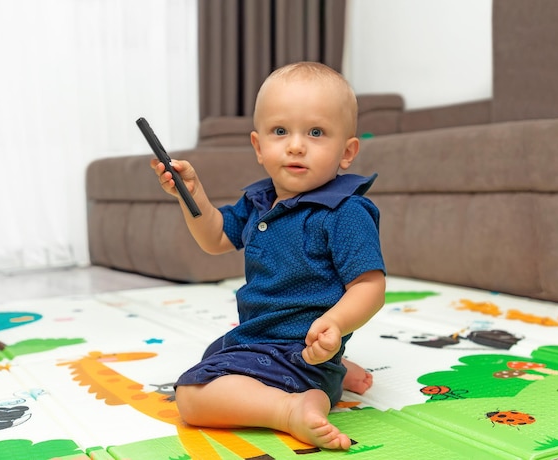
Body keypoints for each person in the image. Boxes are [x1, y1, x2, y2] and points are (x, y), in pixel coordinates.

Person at [150, 61, 386, 450]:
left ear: (347, 152)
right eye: (280, 131)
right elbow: (215, 238)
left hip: (304, 346)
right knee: (218, 357)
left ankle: (290, 408)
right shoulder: (259, 200)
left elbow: (370, 285)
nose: (295, 145)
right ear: (259, 147)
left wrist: (335, 323)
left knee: (192, 398)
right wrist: (188, 193)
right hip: (258, 339)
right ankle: (332, 374)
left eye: (316, 132)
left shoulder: (344, 212)